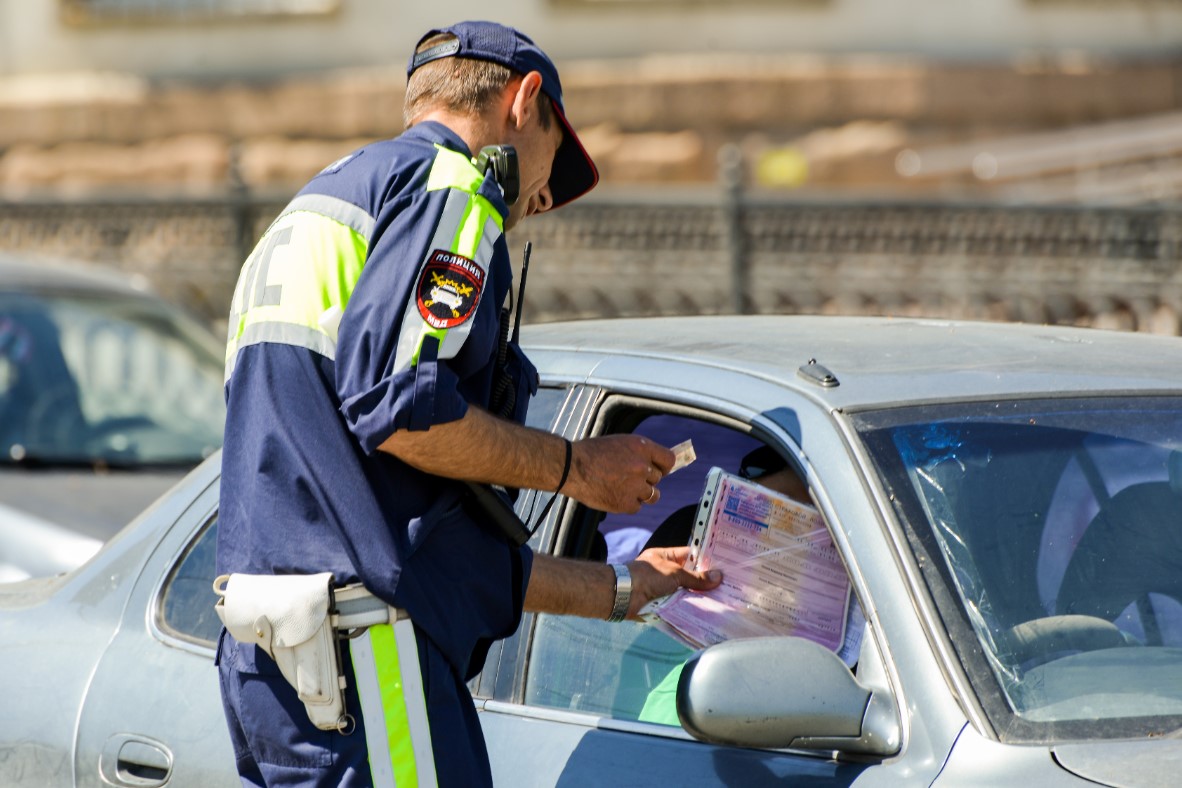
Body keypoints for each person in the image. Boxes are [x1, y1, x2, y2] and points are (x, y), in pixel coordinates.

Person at [215, 20, 721, 788]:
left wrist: (624, 586)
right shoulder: (450, 188)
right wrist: (577, 468)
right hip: (368, 663)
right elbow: (404, 411)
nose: (541, 198)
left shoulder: (316, 209)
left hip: (274, 664)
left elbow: (411, 540)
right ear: (524, 102)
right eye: (553, 161)